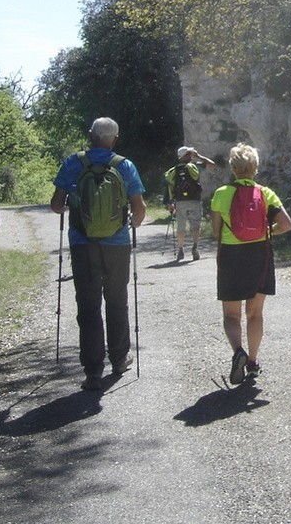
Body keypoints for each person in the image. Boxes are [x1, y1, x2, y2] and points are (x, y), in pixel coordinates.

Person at [50, 117, 146, 391]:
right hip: (117, 246)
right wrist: (130, 223)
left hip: (83, 244)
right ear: (114, 139)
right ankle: (119, 359)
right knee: (117, 301)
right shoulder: (124, 166)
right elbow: (139, 211)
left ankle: (93, 369)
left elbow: (56, 206)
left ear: (91, 135)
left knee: (89, 306)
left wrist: (72, 201)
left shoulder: (72, 163)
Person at [210, 143, 291, 384]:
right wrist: (269, 231)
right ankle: (253, 362)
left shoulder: (220, 193)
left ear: (233, 167)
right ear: (255, 167)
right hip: (260, 255)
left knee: (231, 315)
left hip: (231, 257)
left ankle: (238, 352)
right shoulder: (266, 194)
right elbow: (287, 224)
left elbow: (216, 231)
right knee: (255, 313)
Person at [165, 145, 216, 262]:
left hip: (180, 202)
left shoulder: (173, 171)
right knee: (195, 225)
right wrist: (198, 156)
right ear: (187, 155)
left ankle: (181, 250)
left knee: (181, 227)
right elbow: (211, 164)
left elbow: (169, 186)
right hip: (194, 200)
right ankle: (194, 247)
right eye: (189, 153)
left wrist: (170, 202)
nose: (191, 155)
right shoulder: (195, 167)